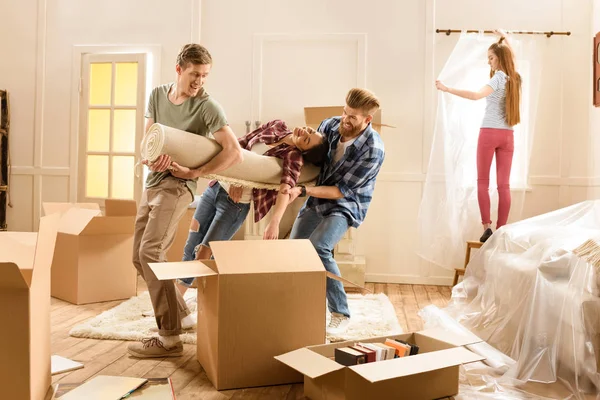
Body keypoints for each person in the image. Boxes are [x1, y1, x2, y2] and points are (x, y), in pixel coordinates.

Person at [128, 43, 244, 358]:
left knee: (151, 251)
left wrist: (195, 171)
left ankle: (169, 338)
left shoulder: (208, 106)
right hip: (152, 183)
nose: (199, 82)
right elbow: (148, 139)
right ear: (179, 70)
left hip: (178, 186)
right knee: (138, 257)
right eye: (194, 74)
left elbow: (232, 152)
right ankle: (182, 315)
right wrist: (150, 158)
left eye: (204, 76)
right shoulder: (156, 95)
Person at [176, 119, 329, 294]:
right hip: (215, 188)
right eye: (309, 130)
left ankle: (188, 302)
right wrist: (234, 173)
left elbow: (285, 188)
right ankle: (179, 299)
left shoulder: (293, 156)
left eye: (307, 140)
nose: (304, 133)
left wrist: (274, 222)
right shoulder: (277, 126)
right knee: (190, 247)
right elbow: (239, 144)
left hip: (234, 205)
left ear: (304, 150)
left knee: (204, 253)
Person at [283, 88, 386, 335]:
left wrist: (304, 191)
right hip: (318, 195)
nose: (345, 120)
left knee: (319, 247)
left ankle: (341, 312)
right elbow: (312, 158)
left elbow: (341, 191)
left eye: (353, 117)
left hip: (347, 203)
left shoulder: (373, 149)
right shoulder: (329, 126)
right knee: (295, 248)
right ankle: (300, 306)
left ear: (367, 120)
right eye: (344, 112)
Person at [435, 29, 521, 243]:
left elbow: (475, 96)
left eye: (491, 58)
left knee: (483, 182)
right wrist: (504, 37)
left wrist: (447, 89)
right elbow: (513, 57)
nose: (489, 62)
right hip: (508, 136)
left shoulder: (499, 78)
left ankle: (487, 227)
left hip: (489, 134)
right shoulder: (515, 78)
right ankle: (502, 228)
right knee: (504, 185)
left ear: (500, 59)